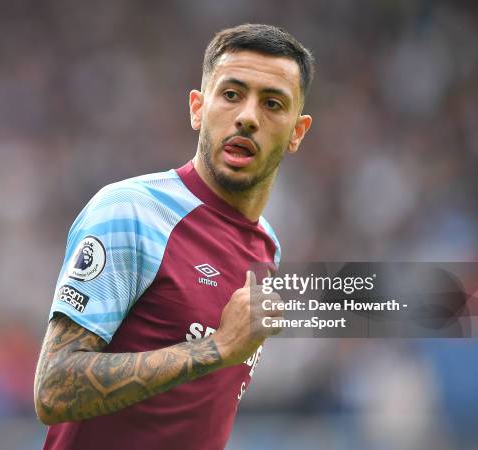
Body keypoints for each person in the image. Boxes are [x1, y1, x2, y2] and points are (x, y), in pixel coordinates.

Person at [34, 23, 314, 450]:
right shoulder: (130, 211)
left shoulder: (267, 246)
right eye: (232, 94)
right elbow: (53, 388)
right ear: (198, 108)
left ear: (297, 132)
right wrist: (218, 347)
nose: (247, 117)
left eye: (273, 103)